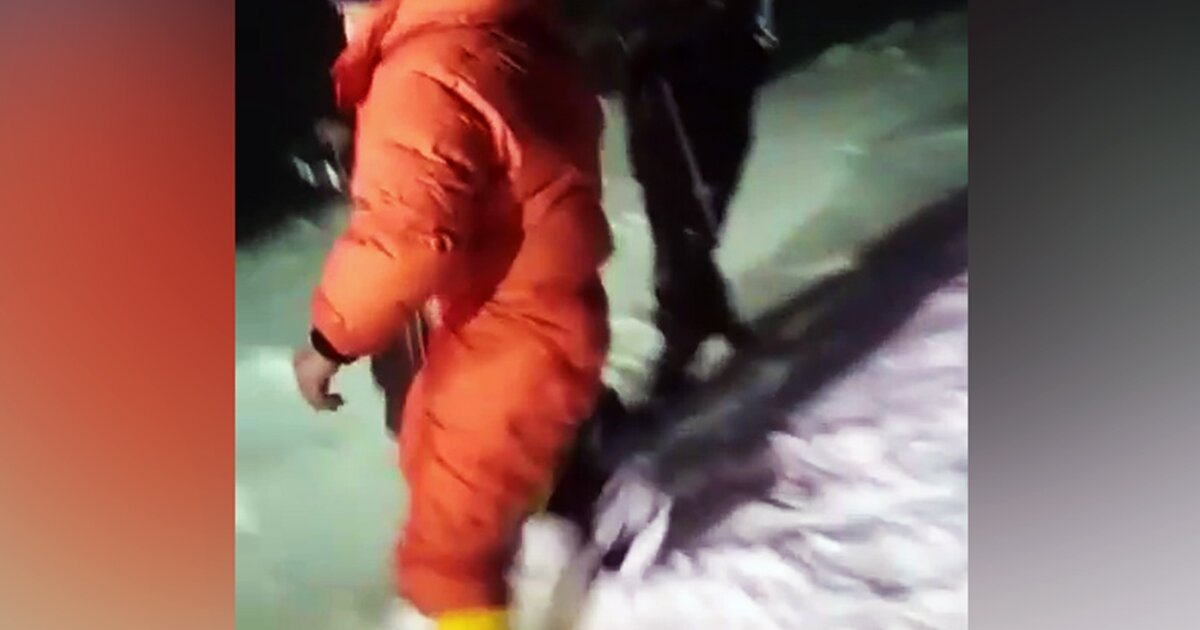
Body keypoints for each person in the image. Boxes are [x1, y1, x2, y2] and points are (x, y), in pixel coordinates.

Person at [290, 1, 613, 628]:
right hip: (535, 310)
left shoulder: (421, 73)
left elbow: (404, 240)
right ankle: (541, 548)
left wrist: (329, 343)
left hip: (514, 331)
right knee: (441, 458)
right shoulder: (502, 31)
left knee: (450, 553)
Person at [617, 0, 776, 398]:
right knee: (675, 198)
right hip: (667, 70)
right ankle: (691, 314)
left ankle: (695, 312)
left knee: (704, 194)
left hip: (718, 60)